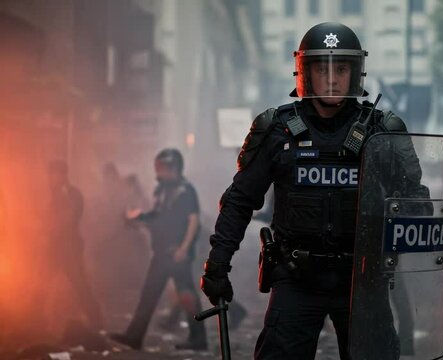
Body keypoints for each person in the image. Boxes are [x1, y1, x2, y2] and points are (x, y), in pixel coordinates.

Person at [200, 22, 413, 359]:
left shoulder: (381, 132)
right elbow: (240, 200)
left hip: (361, 281)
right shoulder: (277, 130)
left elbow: (413, 200)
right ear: (305, 73)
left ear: (355, 72)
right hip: (296, 279)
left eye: (341, 68)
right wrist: (217, 265)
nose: (332, 78)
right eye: (321, 68)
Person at [110, 149, 207, 350]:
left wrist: (184, 248)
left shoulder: (185, 191)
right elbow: (157, 217)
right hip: (162, 254)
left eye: (162, 168)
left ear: (174, 168)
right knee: (149, 294)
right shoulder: (162, 191)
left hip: (177, 254)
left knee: (187, 296)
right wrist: (137, 219)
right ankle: (134, 336)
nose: (158, 172)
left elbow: (193, 221)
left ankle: (198, 339)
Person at [46, 160, 103, 328]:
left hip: (69, 247)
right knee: (42, 281)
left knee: (79, 283)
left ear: (62, 175)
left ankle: (96, 318)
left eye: (53, 174)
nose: (50, 178)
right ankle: (35, 319)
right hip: (56, 246)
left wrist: (51, 228)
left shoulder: (70, 194)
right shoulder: (56, 194)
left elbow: (69, 218)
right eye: (49, 174)